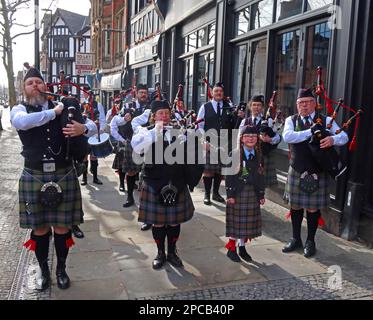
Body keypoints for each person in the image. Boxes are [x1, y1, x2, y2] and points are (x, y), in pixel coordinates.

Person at [10, 67, 93, 290]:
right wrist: (53, 113)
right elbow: (21, 123)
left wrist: (83, 128)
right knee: (39, 229)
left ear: (45, 86)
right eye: (30, 83)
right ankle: (43, 270)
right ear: (24, 88)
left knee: (63, 227)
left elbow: (94, 126)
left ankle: (61, 269)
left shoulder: (66, 107)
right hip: (33, 174)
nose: (35, 85)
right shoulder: (20, 109)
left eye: (39, 81)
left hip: (63, 172)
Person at [131, 99, 203, 269]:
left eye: (167, 113)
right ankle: (160, 253)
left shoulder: (178, 132)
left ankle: (172, 252)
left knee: (173, 222)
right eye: (160, 113)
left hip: (176, 183)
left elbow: (189, 154)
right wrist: (155, 132)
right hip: (154, 184)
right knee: (158, 223)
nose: (164, 116)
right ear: (153, 116)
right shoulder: (144, 132)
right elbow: (137, 148)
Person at [282, 88, 349, 258]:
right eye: (300, 103)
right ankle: (295, 238)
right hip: (297, 168)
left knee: (312, 209)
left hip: (318, 171)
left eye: (307, 102)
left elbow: (345, 137)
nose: (303, 106)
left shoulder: (326, 120)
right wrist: (310, 132)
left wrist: (332, 139)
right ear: (297, 105)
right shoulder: (292, 120)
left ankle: (310, 241)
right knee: (295, 206)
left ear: (314, 104)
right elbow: (288, 137)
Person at [225, 125, 265, 262]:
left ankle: (242, 247)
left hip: (252, 193)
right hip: (237, 192)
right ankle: (231, 248)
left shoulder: (259, 154)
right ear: (241, 138)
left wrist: (261, 194)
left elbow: (261, 176)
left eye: (254, 136)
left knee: (246, 224)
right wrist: (230, 195)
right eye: (247, 136)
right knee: (236, 223)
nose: (251, 138)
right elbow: (229, 176)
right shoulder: (235, 154)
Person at [197, 82, 234, 206]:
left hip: (225, 143)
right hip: (209, 143)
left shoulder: (229, 106)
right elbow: (199, 125)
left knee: (220, 170)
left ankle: (216, 193)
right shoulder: (205, 107)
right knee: (208, 171)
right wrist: (203, 140)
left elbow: (233, 124)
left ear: (223, 94)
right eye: (216, 91)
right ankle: (207, 194)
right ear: (212, 92)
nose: (219, 93)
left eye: (221, 92)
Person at [239, 95, 282, 188]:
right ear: (250, 107)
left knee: (260, 185)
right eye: (254, 105)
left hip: (263, 156)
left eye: (259, 105)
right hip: (248, 156)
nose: (256, 107)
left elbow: (278, 137)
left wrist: (270, 140)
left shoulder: (269, 121)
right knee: (247, 182)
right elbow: (239, 138)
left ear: (262, 107)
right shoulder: (245, 121)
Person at [80, 85, 106, 185]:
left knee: (94, 156)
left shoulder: (98, 105)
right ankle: (85, 178)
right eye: (85, 92)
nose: (85, 94)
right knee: (84, 157)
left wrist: (101, 131)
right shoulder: (82, 105)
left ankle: (95, 178)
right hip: (85, 134)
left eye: (87, 92)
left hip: (94, 133)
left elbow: (102, 119)